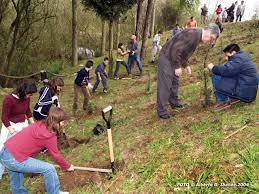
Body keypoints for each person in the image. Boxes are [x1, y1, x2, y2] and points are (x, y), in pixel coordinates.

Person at [0, 107, 74, 194]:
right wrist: (67, 166)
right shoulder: (49, 135)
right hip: (14, 158)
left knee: (17, 182)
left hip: (5, 153)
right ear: (56, 122)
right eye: (63, 122)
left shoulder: (39, 124)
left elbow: (28, 144)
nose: (63, 124)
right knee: (49, 169)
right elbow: (56, 155)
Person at [157, 23, 221, 119]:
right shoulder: (193, 34)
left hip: (173, 58)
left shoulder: (197, 37)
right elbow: (175, 49)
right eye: (211, 38)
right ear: (209, 31)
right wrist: (177, 66)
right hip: (167, 56)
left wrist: (186, 65)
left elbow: (184, 52)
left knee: (175, 81)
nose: (210, 41)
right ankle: (161, 111)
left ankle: (174, 103)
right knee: (165, 84)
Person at [0, 82, 37, 180]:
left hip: (22, 124)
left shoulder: (26, 98)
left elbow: (28, 112)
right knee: (2, 150)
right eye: (30, 94)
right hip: (10, 126)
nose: (31, 96)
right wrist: (12, 131)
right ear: (23, 92)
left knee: (25, 148)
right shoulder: (9, 99)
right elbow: (4, 117)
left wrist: (33, 125)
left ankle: (26, 170)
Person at [208, 44, 258, 109]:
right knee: (227, 75)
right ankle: (235, 98)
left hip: (245, 93)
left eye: (227, 55)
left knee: (216, 76)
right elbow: (231, 70)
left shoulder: (238, 58)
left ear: (233, 52)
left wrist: (213, 68)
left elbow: (227, 70)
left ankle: (223, 101)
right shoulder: (243, 57)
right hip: (249, 93)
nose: (226, 58)